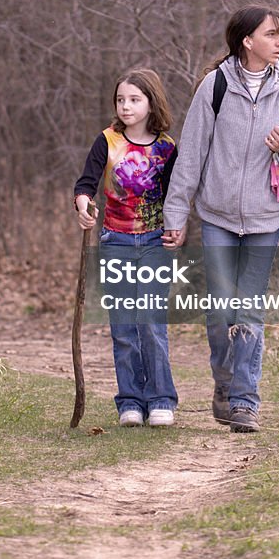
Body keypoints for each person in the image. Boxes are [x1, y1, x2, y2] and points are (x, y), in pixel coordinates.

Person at [162, 6, 279, 433]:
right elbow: (190, 156)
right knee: (220, 311)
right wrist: (175, 215)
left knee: (249, 309)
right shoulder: (214, 87)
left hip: (268, 217)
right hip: (217, 218)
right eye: (272, 34)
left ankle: (245, 401)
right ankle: (224, 384)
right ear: (247, 41)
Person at [74, 68, 179, 428]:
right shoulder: (107, 141)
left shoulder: (167, 148)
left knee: (150, 322)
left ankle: (162, 399)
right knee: (123, 328)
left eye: (134, 99)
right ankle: (130, 402)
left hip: (154, 242)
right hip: (115, 241)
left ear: (151, 103)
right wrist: (83, 205)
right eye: (120, 99)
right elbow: (86, 182)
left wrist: (178, 229)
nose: (126, 106)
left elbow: (175, 197)